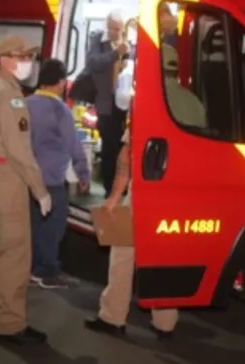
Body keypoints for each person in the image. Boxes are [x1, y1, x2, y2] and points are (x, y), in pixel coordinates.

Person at [0, 34, 53, 346]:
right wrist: (40, 189)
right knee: (15, 253)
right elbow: (20, 150)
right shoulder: (9, 97)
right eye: (22, 56)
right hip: (8, 174)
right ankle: (10, 324)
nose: (27, 63)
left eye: (29, 57)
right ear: (5, 59)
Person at [84, 126, 178, 339]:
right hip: (176, 193)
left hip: (145, 191)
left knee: (123, 254)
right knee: (163, 256)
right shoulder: (194, 106)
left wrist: (114, 198)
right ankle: (165, 322)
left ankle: (112, 317)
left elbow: (127, 157)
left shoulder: (145, 104)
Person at [25, 58, 91, 289]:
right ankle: (48, 271)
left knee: (33, 225)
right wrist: (83, 174)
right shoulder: (59, 109)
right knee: (53, 227)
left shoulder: (26, 103)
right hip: (51, 179)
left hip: (29, 178)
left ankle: (32, 268)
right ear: (61, 82)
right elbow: (73, 144)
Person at [85, 9, 130, 196]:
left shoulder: (127, 42)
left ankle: (122, 187)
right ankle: (109, 188)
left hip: (123, 104)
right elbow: (93, 62)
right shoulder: (97, 39)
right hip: (105, 103)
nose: (115, 32)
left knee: (123, 148)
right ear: (107, 26)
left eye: (119, 29)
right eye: (112, 28)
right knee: (109, 147)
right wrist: (114, 54)